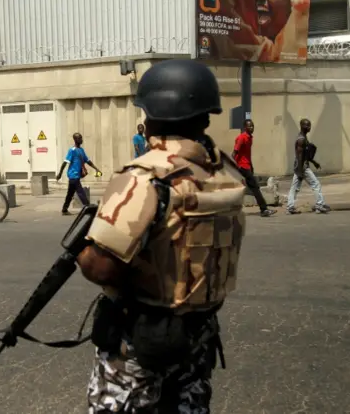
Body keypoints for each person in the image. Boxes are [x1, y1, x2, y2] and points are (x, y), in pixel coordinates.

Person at [76, 59, 247, 413]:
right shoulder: (225, 172)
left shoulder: (146, 177)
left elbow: (102, 267)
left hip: (141, 340)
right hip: (197, 336)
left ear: (154, 114)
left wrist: (83, 253)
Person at [232, 119, 276, 217]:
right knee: (255, 187)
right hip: (242, 166)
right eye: (249, 126)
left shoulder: (250, 138)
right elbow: (234, 153)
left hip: (247, 166)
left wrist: (251, 166)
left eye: (252, 126)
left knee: (247, 188)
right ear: (245, 127)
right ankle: (264, 209)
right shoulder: (242, 138)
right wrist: (234, 166)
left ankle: (232, 208)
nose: (252, 128)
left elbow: (247, 154)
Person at [286, 118, 330, 214]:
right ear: (302, 126)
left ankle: (290, 207)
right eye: (307, 125)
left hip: (300, 166)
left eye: (309, 125)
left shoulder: (303, 137)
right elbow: (300, 157)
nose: (309, 127)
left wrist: (314, 162)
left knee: (294, 187)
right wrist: (301, 171)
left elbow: (305, 155)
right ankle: (320, 205)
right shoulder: (301, 140)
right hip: (303, 167)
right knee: (316, 184)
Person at [56, 133, 102, 216]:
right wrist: (59, 174)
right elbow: (65, 163)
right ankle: (88, 208)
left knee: (70, 194)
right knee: (81, 192)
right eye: (80, 138)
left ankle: (64, 209)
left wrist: (96, 169)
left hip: (76, 176)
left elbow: (87, 161)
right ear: (75, 139)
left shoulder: (81, 150)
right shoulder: (72, 150)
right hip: (73, 175)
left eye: (81, 138)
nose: (81, 140)